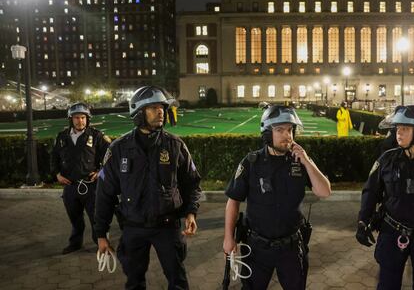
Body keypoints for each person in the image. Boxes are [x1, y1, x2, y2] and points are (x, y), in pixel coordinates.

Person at [95, 86, 202, 289]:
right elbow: (104, 194)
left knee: (178, 280)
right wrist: (101, 234)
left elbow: (192, 182)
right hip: (133, 227)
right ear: (138, 113)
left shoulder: (175, 145)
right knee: (134, 282)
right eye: (153, 107)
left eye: (161, 107)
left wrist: (191, 212)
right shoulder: (118, 149)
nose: (160, 111)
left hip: (168, 227)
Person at [223, 105, 331, 290]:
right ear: (266, 134)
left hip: (291, 247)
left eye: (290, 130)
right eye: (279, 130)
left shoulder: (300, 161)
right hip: (257, 248)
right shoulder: (251, 163)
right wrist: (228, 238)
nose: (287, 135)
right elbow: (233, 201)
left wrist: (306, 160)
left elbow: (324, 191)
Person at [356, 105, 414, 290]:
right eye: (397, 128)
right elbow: (370, 192)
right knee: (387, 284)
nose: (399, 133)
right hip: (392, 231)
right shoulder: (386, 159)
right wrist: (363, 221)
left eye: (405, 128)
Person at [51, 102, 110, 254]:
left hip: (91, 186)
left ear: (87, 119)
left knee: (96, 219)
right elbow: (54, 157)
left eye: (83, 117)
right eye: (76, 117)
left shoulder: (97, 136)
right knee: (75, 219)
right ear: (71, 119)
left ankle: (101, 244)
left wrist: (100, 173)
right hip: (70, 187)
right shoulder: (62, 137)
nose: (80, 121)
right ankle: (76, 243)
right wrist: (57, 174)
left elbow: (110, 158)